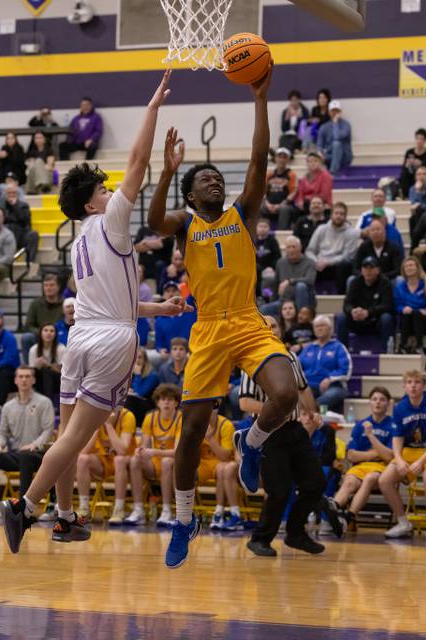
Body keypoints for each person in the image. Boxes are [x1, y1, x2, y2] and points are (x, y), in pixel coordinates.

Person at [0, 72, 191, 552]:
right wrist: (152, 107)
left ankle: (65, 517)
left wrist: (158, 309)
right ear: (91, 201)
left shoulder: (79, 240)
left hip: (81, 336)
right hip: (110, 342)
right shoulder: (111, 221)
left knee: (67, 432)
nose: (111, 193)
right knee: (78, 438)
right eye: (103, 190)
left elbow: (110, 304)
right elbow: (138, 161)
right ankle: (25, 506)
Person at [147, 66, 305, 568]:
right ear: (192, 196)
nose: (214, 182)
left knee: (285, 394)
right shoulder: (183, 225)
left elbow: (259, 159)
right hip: (209, 328)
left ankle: (250, 442)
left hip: (247, 319)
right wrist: (170, 171)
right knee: (191, 432)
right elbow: (152, 222)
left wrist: (261, 98)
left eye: (217, 178)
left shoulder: (243, 213)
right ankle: (184, 517)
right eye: (204, 180)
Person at [241, 316, 337, 556]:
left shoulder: (291, 357)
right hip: (268, 432)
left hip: (295, 429)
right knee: (279, 490)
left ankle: (296, 534)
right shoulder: (252, 359)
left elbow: (303, 389)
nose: (271, 329)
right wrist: (276, 411)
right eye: (267, 325)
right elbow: (245, 402)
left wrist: (312, 412)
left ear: (281, 330)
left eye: (275, 325)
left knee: (315, 482)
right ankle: (260, 539)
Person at [380, 370, 426, 540]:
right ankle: (403, 523)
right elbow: (397, 439)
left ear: (424, 386)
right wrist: (398, 459)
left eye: (417, 382)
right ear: (404, 386)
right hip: (411, 449)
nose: (413, 385)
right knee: (385, 480)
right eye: (409, 382)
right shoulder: (400, 408)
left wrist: (421, 461)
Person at [0, 367, 55, 518]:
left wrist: (35, 445)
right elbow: (2, 433)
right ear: (15, 380)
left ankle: (24, 506)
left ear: (33, 380)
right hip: (17, 454)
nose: (24, 380)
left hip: (40, 456)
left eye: (27, 377)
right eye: (21, 377)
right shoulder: (8, 406)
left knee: (26, 456)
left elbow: (48, 431)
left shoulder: (44, 402)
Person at [330, 387, 393, 528]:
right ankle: (332, 508)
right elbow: (351, 455)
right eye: (375, 399)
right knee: (349, 481)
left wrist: (370, 436)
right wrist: (376, 452)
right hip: (360, 466)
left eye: (382, 400)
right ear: (369, 403)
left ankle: (349, 516)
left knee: (369, 478)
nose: (378, 403)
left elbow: (389, 457)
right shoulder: (360, 425)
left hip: (383, 468)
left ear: (388, 403)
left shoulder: (393, 425)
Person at [127, 384, 183, 526]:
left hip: (175, 465)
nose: (166, 403)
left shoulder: (181, 419)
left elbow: (177, 452)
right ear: (157, 402)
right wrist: (140, 451)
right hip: (155, 464)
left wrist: (154, 452)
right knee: (135, 461)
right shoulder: (150, 418)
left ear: (176, 403)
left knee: (166, 462)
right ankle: (138, 510)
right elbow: (145, 445)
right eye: (163, 399)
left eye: (170, 400)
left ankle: (167, 510)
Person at [76, 408, 135, 524]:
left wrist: (108, 424)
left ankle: (119, 509)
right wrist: (97, 426)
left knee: (119, 460)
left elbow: (122, 450)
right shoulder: (95, 414)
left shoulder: (127, 416)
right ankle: (83, 507)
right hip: (104, 461)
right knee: (82, 459)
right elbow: (84, 451)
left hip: (127, 462)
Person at [336, 256, 395, 352]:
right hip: (358, 320)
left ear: (377, 270)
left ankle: (387, 351)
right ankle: (342, 352)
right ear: (362, 270)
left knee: (386, 318)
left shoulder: (385, 283)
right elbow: (347, 304)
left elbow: (387, 305)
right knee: (342, 317)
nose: (368, 271)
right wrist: (352, 311)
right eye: (365, 268)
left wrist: (368, 312)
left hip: (376, 321)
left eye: (371, 268)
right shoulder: (355, 282)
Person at [198, 409, 241, 532]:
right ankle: (183, 514)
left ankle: (231, 513)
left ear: (216, 409)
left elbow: (225, 457)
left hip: (225, 462)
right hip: (204, 464)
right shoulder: (196, 423)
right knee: (179, 468)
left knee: (224, 468)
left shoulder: (225, 425)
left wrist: (210, 439)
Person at [299, 314, 351, 412]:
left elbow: (346, 369)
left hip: (333, 386)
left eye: (323, 325)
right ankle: (314, 411)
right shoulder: (308, 348)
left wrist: (330, 379)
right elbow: (298, 368)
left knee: (330, 396)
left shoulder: (338, 347)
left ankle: (313, 410)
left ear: (330, 329)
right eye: (317, 326)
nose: (320, 328)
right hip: (309, 385)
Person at [306, 202, 359, 294]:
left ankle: (340, 297)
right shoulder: (321, 229)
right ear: (331, 215)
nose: (338, 216)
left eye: (341, 214)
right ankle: (309, 298)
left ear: (345, 217)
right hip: (319, 263)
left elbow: (347, 256)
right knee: (307, 264)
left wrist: (328, 262)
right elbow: (309, 250)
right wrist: (316, 261)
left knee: (344, 265)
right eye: (336, 213)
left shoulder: (351, 232)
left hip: (337, 265)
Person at [394, 256, 426, 355]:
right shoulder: (400, 286)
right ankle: (402, 346)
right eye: (406, 266)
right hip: (407, 322)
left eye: (411, 265)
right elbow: (396, 304)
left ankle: (419, 346)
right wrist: (402, 309)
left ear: (417, 267)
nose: (409, 268)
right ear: (403, 270)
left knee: (417, 313)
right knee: (407, 314)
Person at [21, 273, 63, 363]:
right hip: (39, 335)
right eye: (46, 285)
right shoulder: (35, 303)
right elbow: (28, 326)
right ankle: (29, 369)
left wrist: (53, 333)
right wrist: (42, 332)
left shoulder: (64, 304)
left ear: (58, 287)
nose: (48, 288)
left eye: (52, 285)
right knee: (26, 337)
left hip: (59, 334)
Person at [352, 217, 402, 281]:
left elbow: (398, 270)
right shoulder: (363, 247)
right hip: (366, 280)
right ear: (369, 234)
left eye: (378, 229)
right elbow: (355, 268)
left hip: (387, 279)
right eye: (373, 230)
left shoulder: (393, 247)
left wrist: (378, 276)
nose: (375, 232)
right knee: (351, 279)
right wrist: (366, 275)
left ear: (384, 232)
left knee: (399, 280)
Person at [155, 282, 196, 355]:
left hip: (191, 352)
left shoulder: (190, 310)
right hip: (169, 356)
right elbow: (158, 344)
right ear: (163, 295)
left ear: (180, 293)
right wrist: (161, 350)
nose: (171, 294)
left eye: (174, 290)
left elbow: (195, 290)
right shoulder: (159, 319)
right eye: (168, 291)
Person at [261, 148, 297, 229]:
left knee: (284, 209)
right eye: (279, 157)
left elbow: (293, 192)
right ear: (275, 159)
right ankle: (260, 231)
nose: (281, 160)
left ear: (288, 160)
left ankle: (281, 232)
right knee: (259, 208)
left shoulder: (291, 175)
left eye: (284, 157)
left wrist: (280, 205)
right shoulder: (269, 174)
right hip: (269, 204)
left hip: (284, 204)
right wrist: (267, 203)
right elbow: (263, 192)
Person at [1, 185, 39, 262]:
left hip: (21, 234)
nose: (11, 195)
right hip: (6, 236)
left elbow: (24, 220)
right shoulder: (1, 207)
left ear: (17, 194)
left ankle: (29, 262)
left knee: (34, 235)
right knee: (9, 227)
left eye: (13, 193)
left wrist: (15, 206)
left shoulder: (23, 205)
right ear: (5, 195)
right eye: (9, 193)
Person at [29, 323, 65, 403]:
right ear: (40, 333)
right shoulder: (34, 349)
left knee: (47, 371)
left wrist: (47, 365)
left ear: (55, 334)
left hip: (58, 381)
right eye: (46, 330)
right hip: (40, 380)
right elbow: (31, 372)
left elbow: (64, 372)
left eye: (52, 331)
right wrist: (36, 367)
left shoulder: (61, 348)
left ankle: (49, 403)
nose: (49, 333)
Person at [317, 100, 353, 175]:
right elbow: (319, 145)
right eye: (332, 111)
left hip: (344, 156)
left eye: (337, 111)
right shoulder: (324, 127)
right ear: (329, 112)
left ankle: (333, 172)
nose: (334, 113)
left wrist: (335, 122)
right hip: (329, 156)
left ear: (340, 112)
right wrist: (320, 153)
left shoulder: (346, 125)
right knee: (314, 156)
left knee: (336, 144)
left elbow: (337, 137)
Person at [293, 152, 333, 217]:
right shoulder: (305, 177)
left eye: (315, 161)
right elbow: (300, 192)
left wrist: (309, 198)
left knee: (308, 204)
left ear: (320, 163)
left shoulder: (326, 176)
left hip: (321, 203)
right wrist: (300, 201)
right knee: (295, 209)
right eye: (310, 161)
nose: (313, 163)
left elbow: (324, 195)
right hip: (306, 204)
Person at [397, 128, 426, 200]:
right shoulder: (409, 151)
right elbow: (404, 165)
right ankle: (405, 195)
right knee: (404, 173)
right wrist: (409, 164)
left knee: (420, 174)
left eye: (421, 139)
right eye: (417, 138)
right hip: (410, 171)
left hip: (422, 172)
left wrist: (418, 163)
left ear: (425, 140)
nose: (419, 141)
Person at [253, 218, 281, 296]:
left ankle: (266, 297)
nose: (262, 229)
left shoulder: (273, 241)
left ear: (269, 229)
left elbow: (277, 256)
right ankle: (257, 296)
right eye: (260, 226)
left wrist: (272, 267)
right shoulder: (252, 241)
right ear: (256, 228)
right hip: (256, 268)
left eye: (265, 226)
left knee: (268, 278)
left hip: (268, 268)